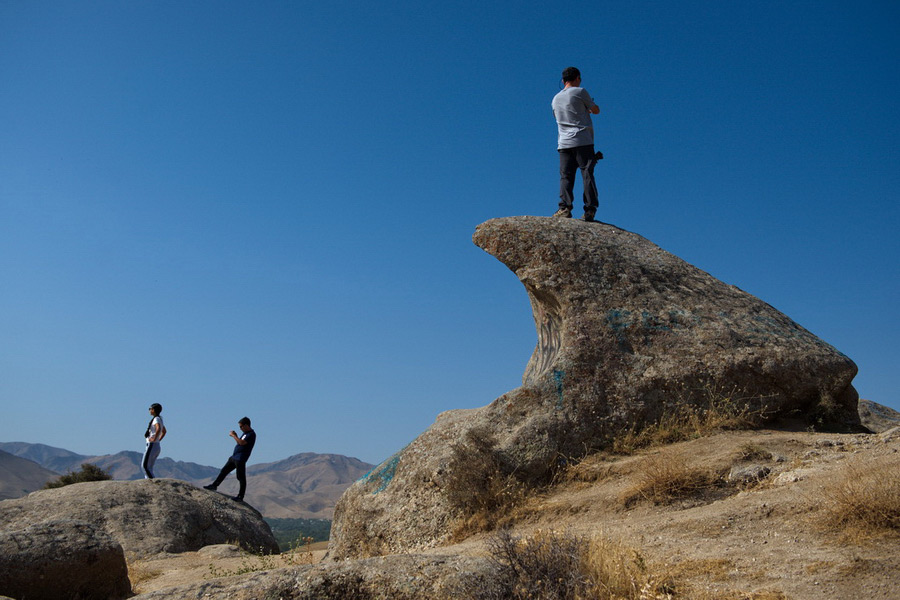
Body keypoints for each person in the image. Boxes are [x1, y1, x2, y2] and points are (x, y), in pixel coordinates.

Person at [551, 66, 601, 222]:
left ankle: (564, 207)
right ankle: (590, 209)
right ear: (577, 78)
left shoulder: (555, 98)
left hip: (564, 142)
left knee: (566, 176)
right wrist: (589, 108)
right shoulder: (580, 92)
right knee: (587, 173)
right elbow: (596, 110)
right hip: (582, 139)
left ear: (563, 80)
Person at [204, 417, 256, 502]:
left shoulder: (251, 434)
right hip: (234, 457)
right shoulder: (245, 433)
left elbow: (242, 443)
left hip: (240, 459)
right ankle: (214, 485)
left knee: (240, 477)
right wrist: (237, 436)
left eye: (241, 426)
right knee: (224, 471)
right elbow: (240, 441)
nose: (240, 428)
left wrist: (234, 436)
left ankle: (240, 496)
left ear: (246, 425)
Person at [142, 403, 166, 479]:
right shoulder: (159, 419)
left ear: (154, 410)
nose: (149, 410)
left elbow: (158, 429)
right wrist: (158, 440)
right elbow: (164, 431)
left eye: (150, 409)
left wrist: (154, 439)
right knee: (149, 467)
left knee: (145, 466)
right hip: (155, 445)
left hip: (152, 445)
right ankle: (148, 483)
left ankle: (152, 484)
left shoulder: (156, 419)